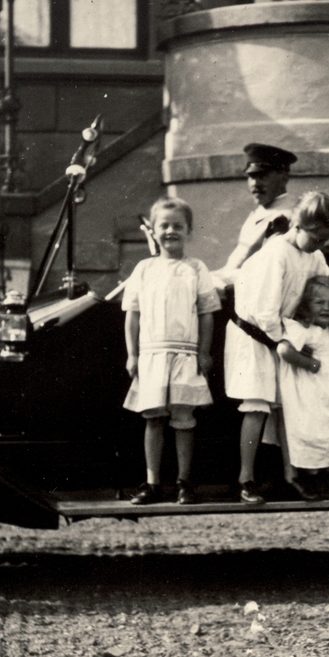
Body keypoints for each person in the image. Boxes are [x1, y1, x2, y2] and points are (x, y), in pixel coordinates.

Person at [224, 191, 329, 505]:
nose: (319, 244)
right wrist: (289, 343)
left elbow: (323, 284)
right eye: (316, 237)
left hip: (282, 338)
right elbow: (265, 313)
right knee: (257, 405)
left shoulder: (314, 255)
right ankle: (245, 479)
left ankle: (290, 476)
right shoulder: (275, 254)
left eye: (325, 239)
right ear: (298, 226)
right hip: (254, 336)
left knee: (286, 407)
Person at [122, 197, 221, 506]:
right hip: (152, 354)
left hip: (185, 354)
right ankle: (152, 483)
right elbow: (132, 314)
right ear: (152, 230)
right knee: (153, 418)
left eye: (178, 226)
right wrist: (133, 354)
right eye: (163, 226)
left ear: (189, 230)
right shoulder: (144, 269)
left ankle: (184, 481)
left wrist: (204, 352)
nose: (170, 232)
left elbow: (206, 313)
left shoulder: (195, 268)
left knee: (183, 418)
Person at [276, 276, 329, 499]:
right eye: (319, 303)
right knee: (311, 430)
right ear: (306, 306)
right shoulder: (304, 330)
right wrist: (309, 363)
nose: (326, 308)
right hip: (308, 390)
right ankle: (310, 477)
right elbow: (285, 351)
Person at [209, 143, 300, 293]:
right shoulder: (263, 211)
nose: (255, 184)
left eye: (263, 176)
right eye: (251, 176)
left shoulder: (285, 217)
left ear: (284, 177)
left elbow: (268, 272)